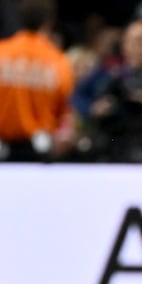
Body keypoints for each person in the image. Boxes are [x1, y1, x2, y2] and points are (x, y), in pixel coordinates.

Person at [71, 18, 142, 163]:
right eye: (137, 41)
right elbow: (77, 97)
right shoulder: (108, 70)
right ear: (124, 43)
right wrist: (93, 108)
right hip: (110, 144)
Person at [0, 0, 75, 162]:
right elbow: (64, 108)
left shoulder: (2, 52)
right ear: (49, 21)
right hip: (39, 150)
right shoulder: (57, 61)